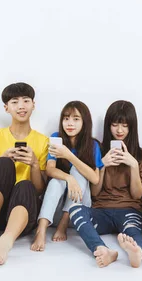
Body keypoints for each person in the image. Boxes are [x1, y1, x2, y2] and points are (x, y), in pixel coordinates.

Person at [68, 100, 142, 267]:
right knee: (75, 209)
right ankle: (102, 249)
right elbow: (95, 193)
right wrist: (102, 165)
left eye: (124, 125)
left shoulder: (140, 155)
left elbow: (137, 195)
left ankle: (137, 252)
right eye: (115, 124)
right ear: (108, 126)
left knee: (133, 230)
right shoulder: (97, 149)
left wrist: (133, 165)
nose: (119, 130)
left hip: (128, 210)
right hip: (101, 211)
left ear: (132, 127)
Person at [0, 83, 48, 265]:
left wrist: (33, 164)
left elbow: (39, 190)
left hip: (22, 215)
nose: (21, 106)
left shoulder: (43, 141)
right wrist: (2, 158)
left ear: (33, 105)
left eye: (26, 101)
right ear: (6, 108)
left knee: (25, 185)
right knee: (3, 162)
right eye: (15, 102)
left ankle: (6, 241)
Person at [31, 101, 103, 252]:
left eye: (76, 119)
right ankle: (41, 229)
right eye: (66, 118)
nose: (70, 123)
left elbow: (95, 179)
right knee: (58, 179)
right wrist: (69, 179)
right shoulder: (56, 138)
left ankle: (64, 224)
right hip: (53, 210)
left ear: (85, 122)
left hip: (78, 211)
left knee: (79, 172)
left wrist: (70, 156)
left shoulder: (93, 145)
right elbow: (50, 169)